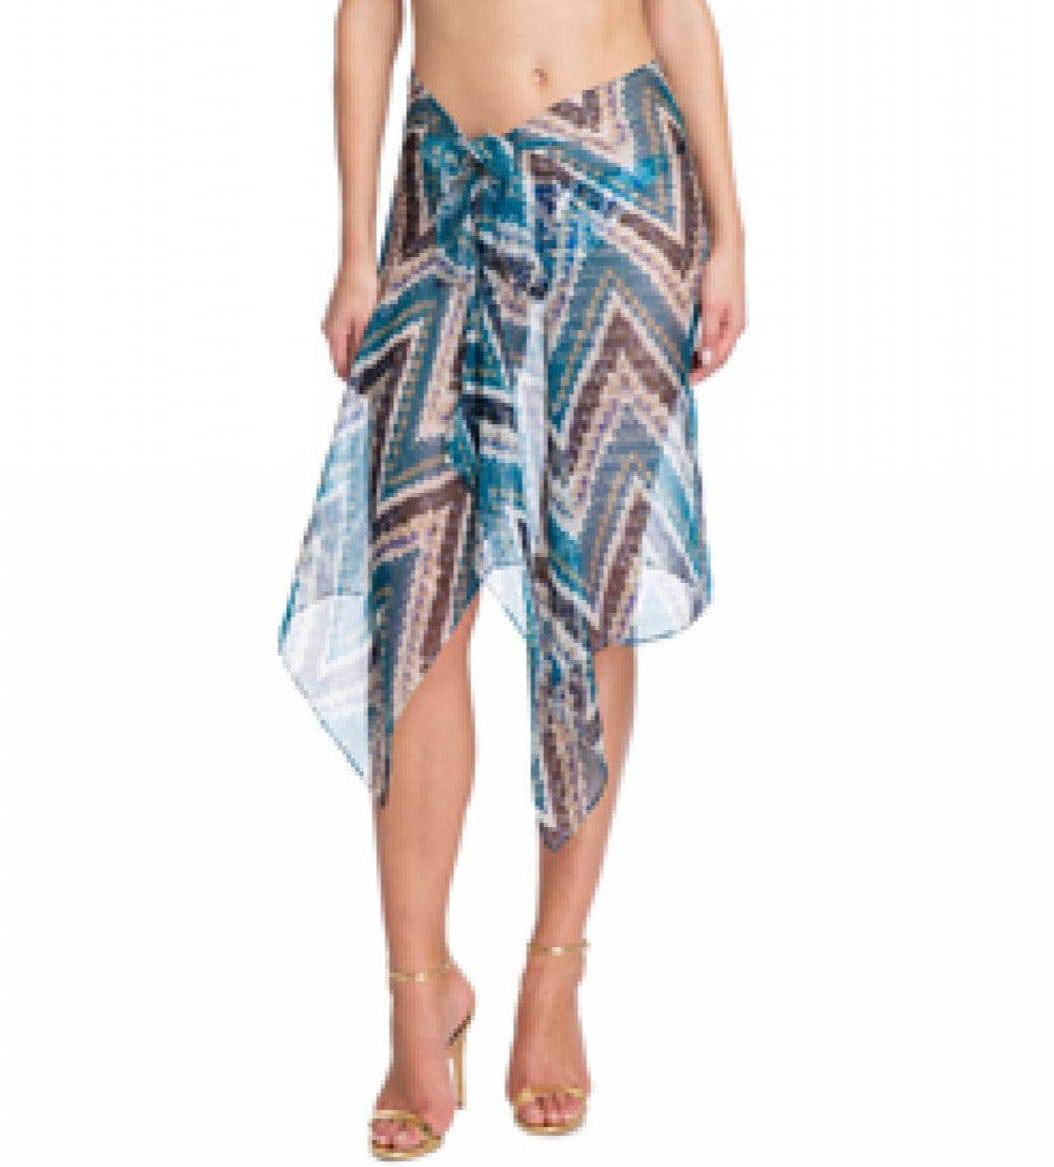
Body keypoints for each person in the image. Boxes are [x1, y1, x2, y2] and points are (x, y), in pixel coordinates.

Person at [278, 0, 745, 1156]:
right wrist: (355, 249)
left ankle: (553, 974)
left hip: (622, 183)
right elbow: (366, 15)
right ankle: (419, 991)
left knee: (588, 594)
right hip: (442, 192)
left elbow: (679, 12)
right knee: (414, 601)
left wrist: (731, 231)